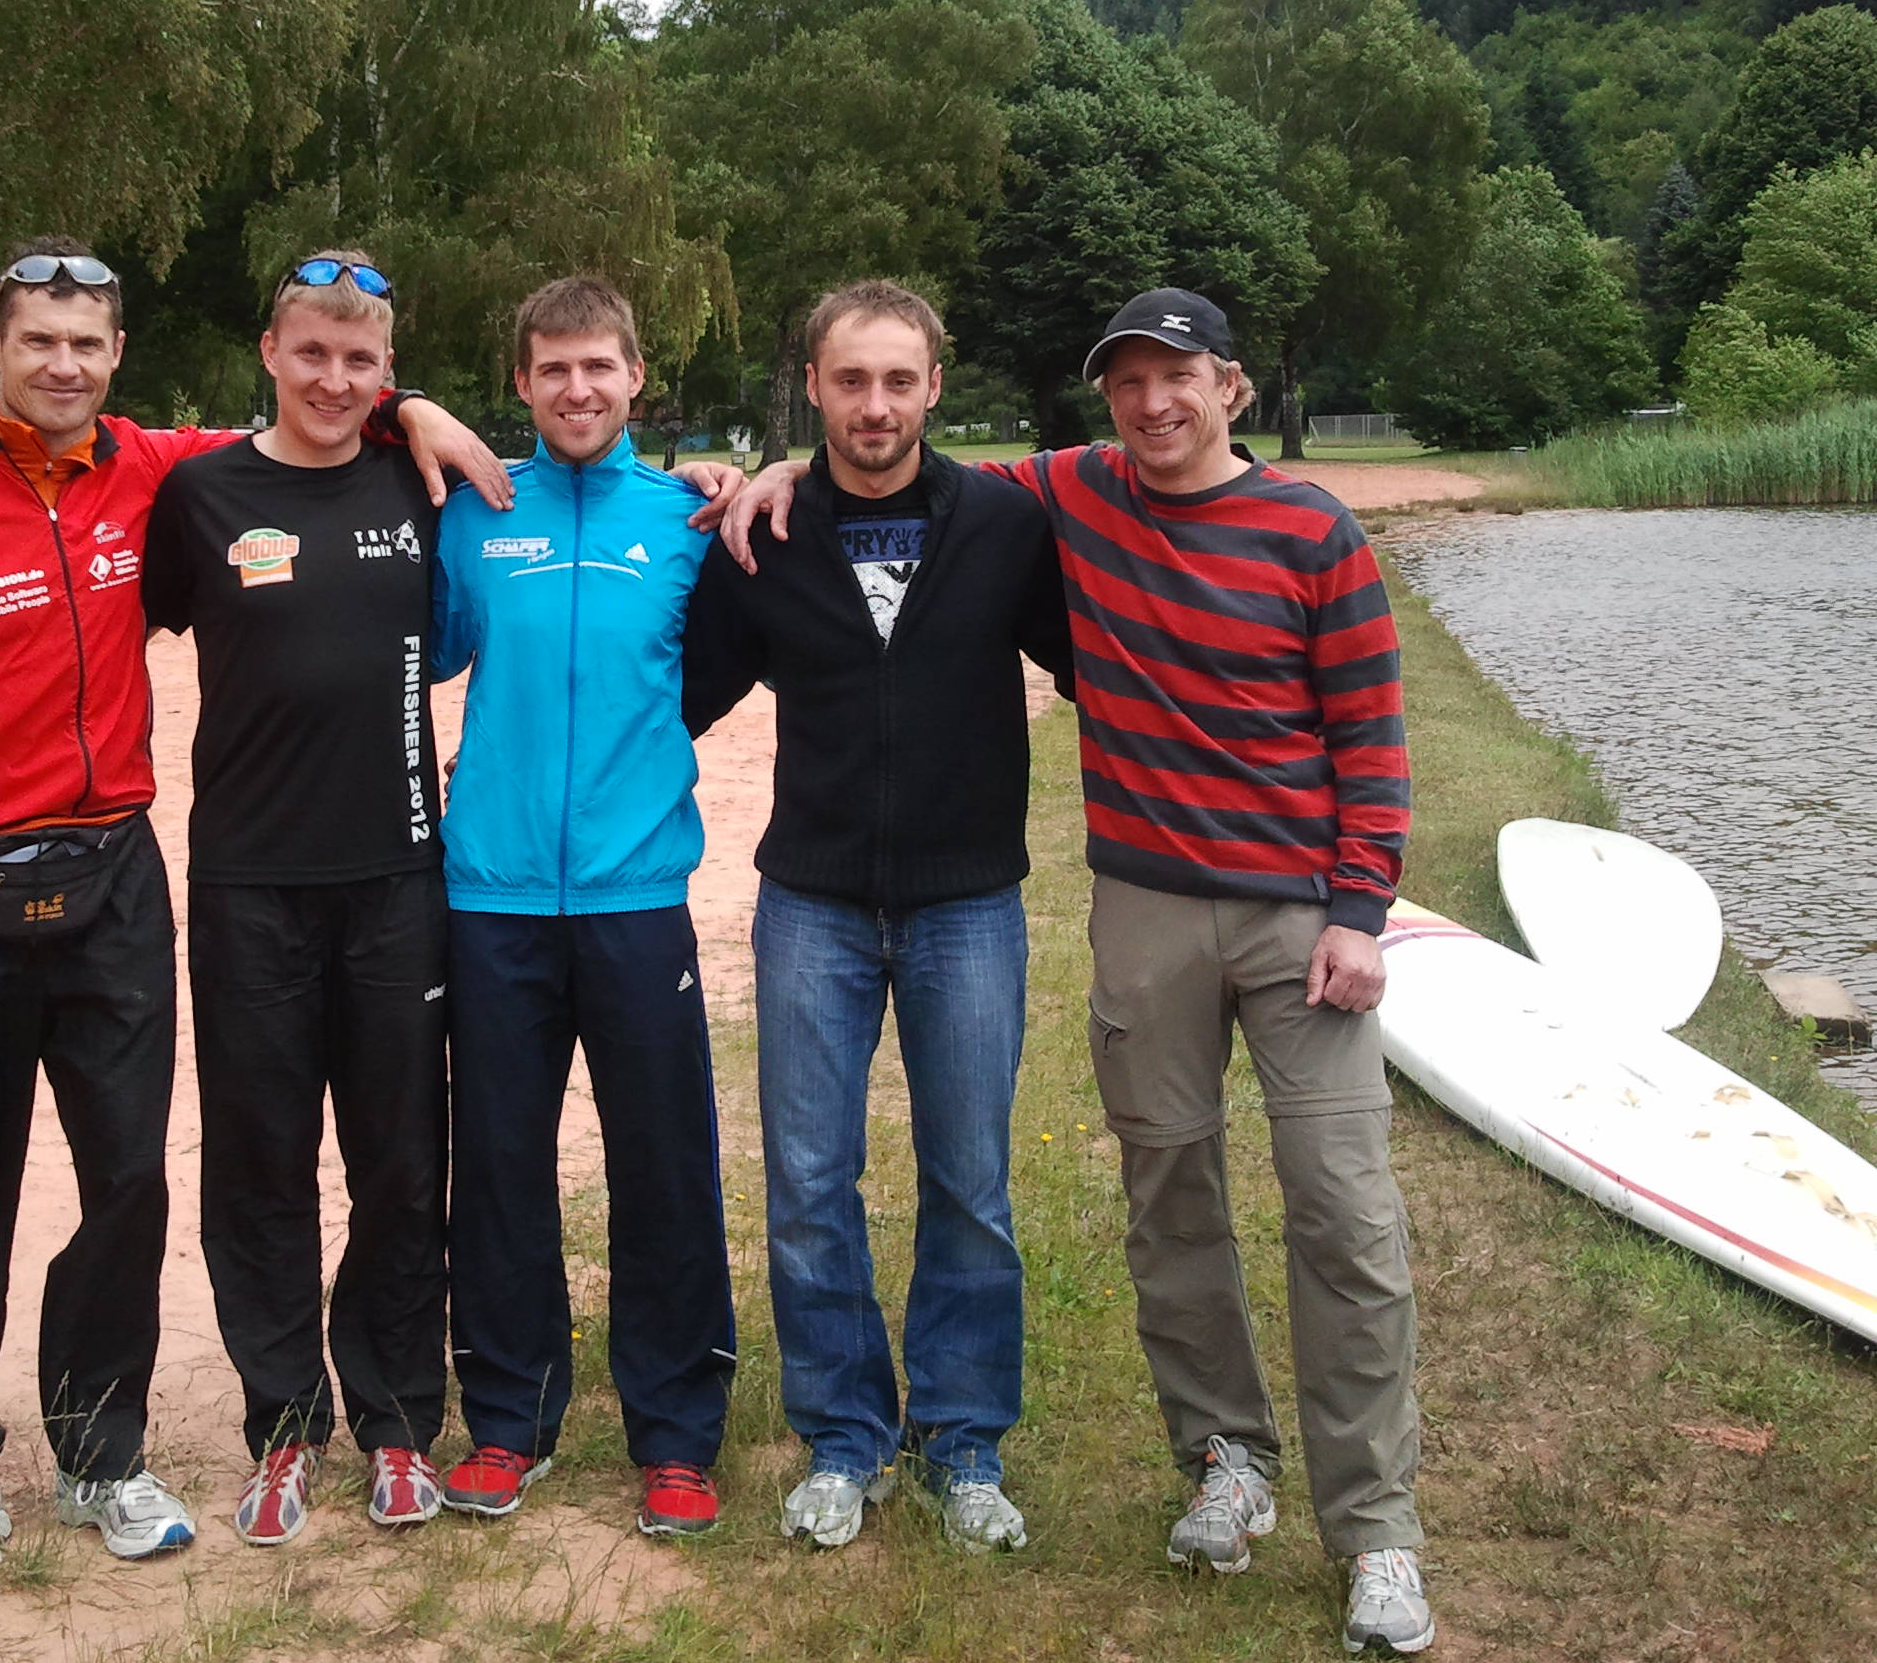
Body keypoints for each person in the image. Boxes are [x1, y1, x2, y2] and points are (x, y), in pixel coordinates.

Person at [724, 287, 1431, 1654]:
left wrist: (1361, 904)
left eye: (1181, 380)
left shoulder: (1307, 530)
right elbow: (887, 482)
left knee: (1342, 1214)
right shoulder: (1071, 496)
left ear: (1230, 386)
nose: (1155, 404)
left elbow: (1373, 731)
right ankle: (1224, 1466)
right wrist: (752, 477)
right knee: (1172, 1197)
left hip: (1296, 919)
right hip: (1144, 904)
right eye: (1129, 383)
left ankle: (1377, 1529)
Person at [0, 240, 500, 1586]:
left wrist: (413, 409)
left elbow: (343, 425)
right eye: (38, 341)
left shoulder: (158, 471)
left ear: (114, 358)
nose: (62, 364)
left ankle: (101, 1453)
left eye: (86, 344)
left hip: (129, 873)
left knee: (131, 1183)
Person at [681, 280, 1073, 1553]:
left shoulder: (1003, 528)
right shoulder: (769, 538)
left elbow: (1104, 664)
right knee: (807, 1182)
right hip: (812, 906)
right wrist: (703, 495)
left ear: (935, 387)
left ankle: (962, 1441)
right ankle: (844, 1436)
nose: (875, 405)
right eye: (850, 381)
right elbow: (676, 691)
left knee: (970, 1182)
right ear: (812, 387)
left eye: (898, 380)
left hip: (968, 906)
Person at [139, 251, 454, 1546]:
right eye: (311, 353)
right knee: (260, 1165)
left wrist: (419, 415)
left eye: (361, 361)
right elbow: (115, 627)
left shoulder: (419, 480)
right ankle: (281, 1427)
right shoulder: (203, 493)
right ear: (269, 351)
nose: (334, 379)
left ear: (387, 375)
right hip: (248, 886)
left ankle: (394, 1425)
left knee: (398, 1163)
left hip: (398, 880)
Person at [429, 278, 741, 1537]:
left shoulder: (683, 521)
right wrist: (410, 417)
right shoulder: (471, 514)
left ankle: (675, 1434)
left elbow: (724, 663)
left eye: (600, 368)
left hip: (634, 894)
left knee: (662, 1162)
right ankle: (510, 1421)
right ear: (521, 381)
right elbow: (418, 652)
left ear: (635, 374)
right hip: (490, 894)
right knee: (499, 1164)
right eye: (553, 369)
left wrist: (746, 485)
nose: (577, 390)